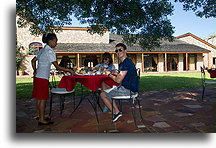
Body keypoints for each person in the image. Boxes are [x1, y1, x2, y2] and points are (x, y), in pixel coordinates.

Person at [31, 33, 74, 125]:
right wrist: (69, 70)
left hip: (38, 76)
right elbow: (57, 67)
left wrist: (35, 70)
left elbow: (33, 61)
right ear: (50, 41)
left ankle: (40, 116)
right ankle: (42, 120)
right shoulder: (49, 51)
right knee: (43, 99)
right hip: (42, 78)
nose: (56, 43)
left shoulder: (42, 50)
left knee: (39, 98)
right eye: (55, 41)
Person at [100, 43, 138, 122]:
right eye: (116, 50)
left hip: (128, 90)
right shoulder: (126, 62)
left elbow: (118, 80)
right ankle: (115, 109)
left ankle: (116, 112)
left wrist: (109, 74)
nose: (118, 52)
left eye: (120, 50)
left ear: (125, 51)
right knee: (105, 85)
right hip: (129, 87)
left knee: (102, 94)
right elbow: (124, 75)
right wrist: (117, 72)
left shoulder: (125, 63)